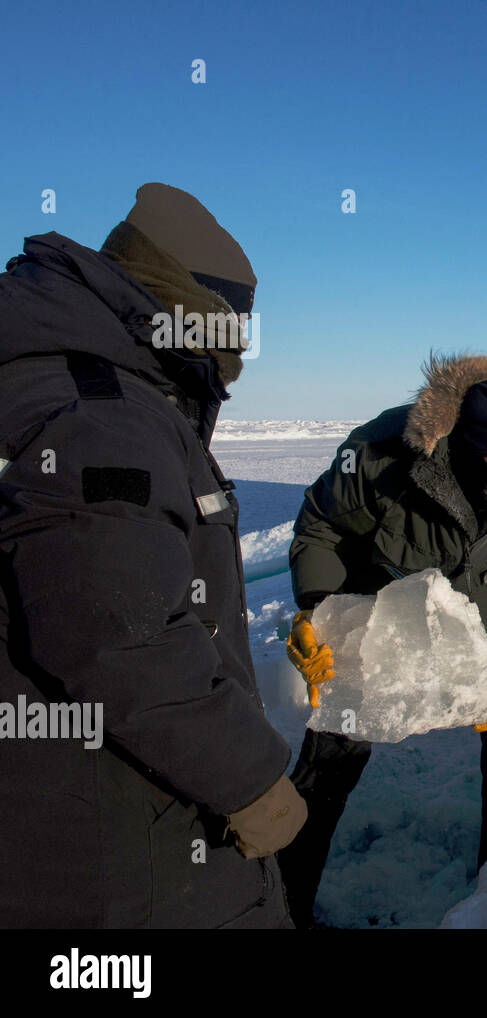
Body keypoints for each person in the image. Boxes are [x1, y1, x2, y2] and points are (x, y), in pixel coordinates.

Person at [0, 183, 306, 928]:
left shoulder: (53, 379)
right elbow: (120, 631)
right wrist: (249, 780)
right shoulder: (100, 414)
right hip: (118, 839)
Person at [278, 353, 487, 927]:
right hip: (384, 598)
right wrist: (318, 609)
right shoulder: (382, 455)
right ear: (467, 444)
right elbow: (320, 524)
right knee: (336, 735)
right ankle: (281, 898)